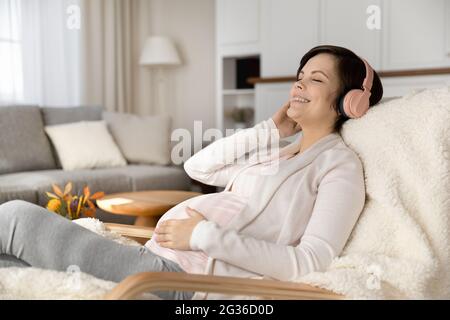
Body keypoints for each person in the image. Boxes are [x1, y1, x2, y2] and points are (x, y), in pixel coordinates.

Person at [0, 45, 383, 300]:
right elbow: (197, 167)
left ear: (350, 102)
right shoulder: (279, 150)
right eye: (300, 75)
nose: (299, 83)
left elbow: (310, 262)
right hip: (159, 261)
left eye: (316, 79)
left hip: (179, 281)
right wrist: (269, 130)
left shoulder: (338, 166)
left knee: (16, 217)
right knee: (10, 268)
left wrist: (201, 234)